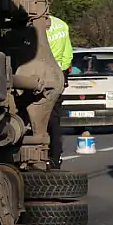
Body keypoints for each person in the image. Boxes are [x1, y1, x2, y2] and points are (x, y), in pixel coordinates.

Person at [47, 13, 73, 169]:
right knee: (55, 117)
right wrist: (62, 73)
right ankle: (55, 156)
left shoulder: (33, 25)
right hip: (58, 74)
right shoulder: (62, 24)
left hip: (39, 73)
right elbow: (68, 54)